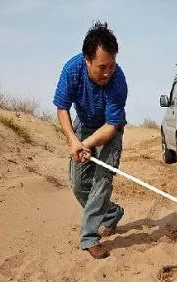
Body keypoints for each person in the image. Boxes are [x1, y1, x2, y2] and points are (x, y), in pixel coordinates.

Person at [53, 21, 127, 259]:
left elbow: (110, 126)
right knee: (77, 183)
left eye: (112, 65)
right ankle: (111, 212)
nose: (108, 72)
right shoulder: (72, 70)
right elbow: (62, 109)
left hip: (110, 129)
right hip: (83, 125)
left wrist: (86, 145)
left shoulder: (118, 81)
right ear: (87, 60)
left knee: (101, 180)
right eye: (102, 66)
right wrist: (74, 141)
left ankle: (89, 237)